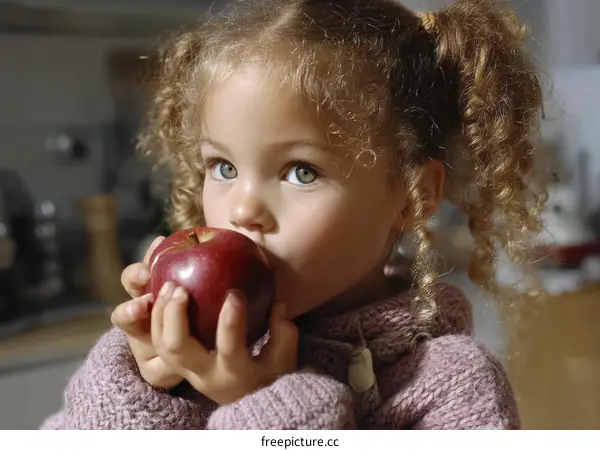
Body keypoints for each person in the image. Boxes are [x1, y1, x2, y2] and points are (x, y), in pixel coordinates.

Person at [41, 0, 546, 430]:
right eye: (222, 166)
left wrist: (260, 404)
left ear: (413, 195)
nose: (243, 209)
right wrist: (149, 384)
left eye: (301, 172)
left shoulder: (455, 387)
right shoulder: (199, 347)